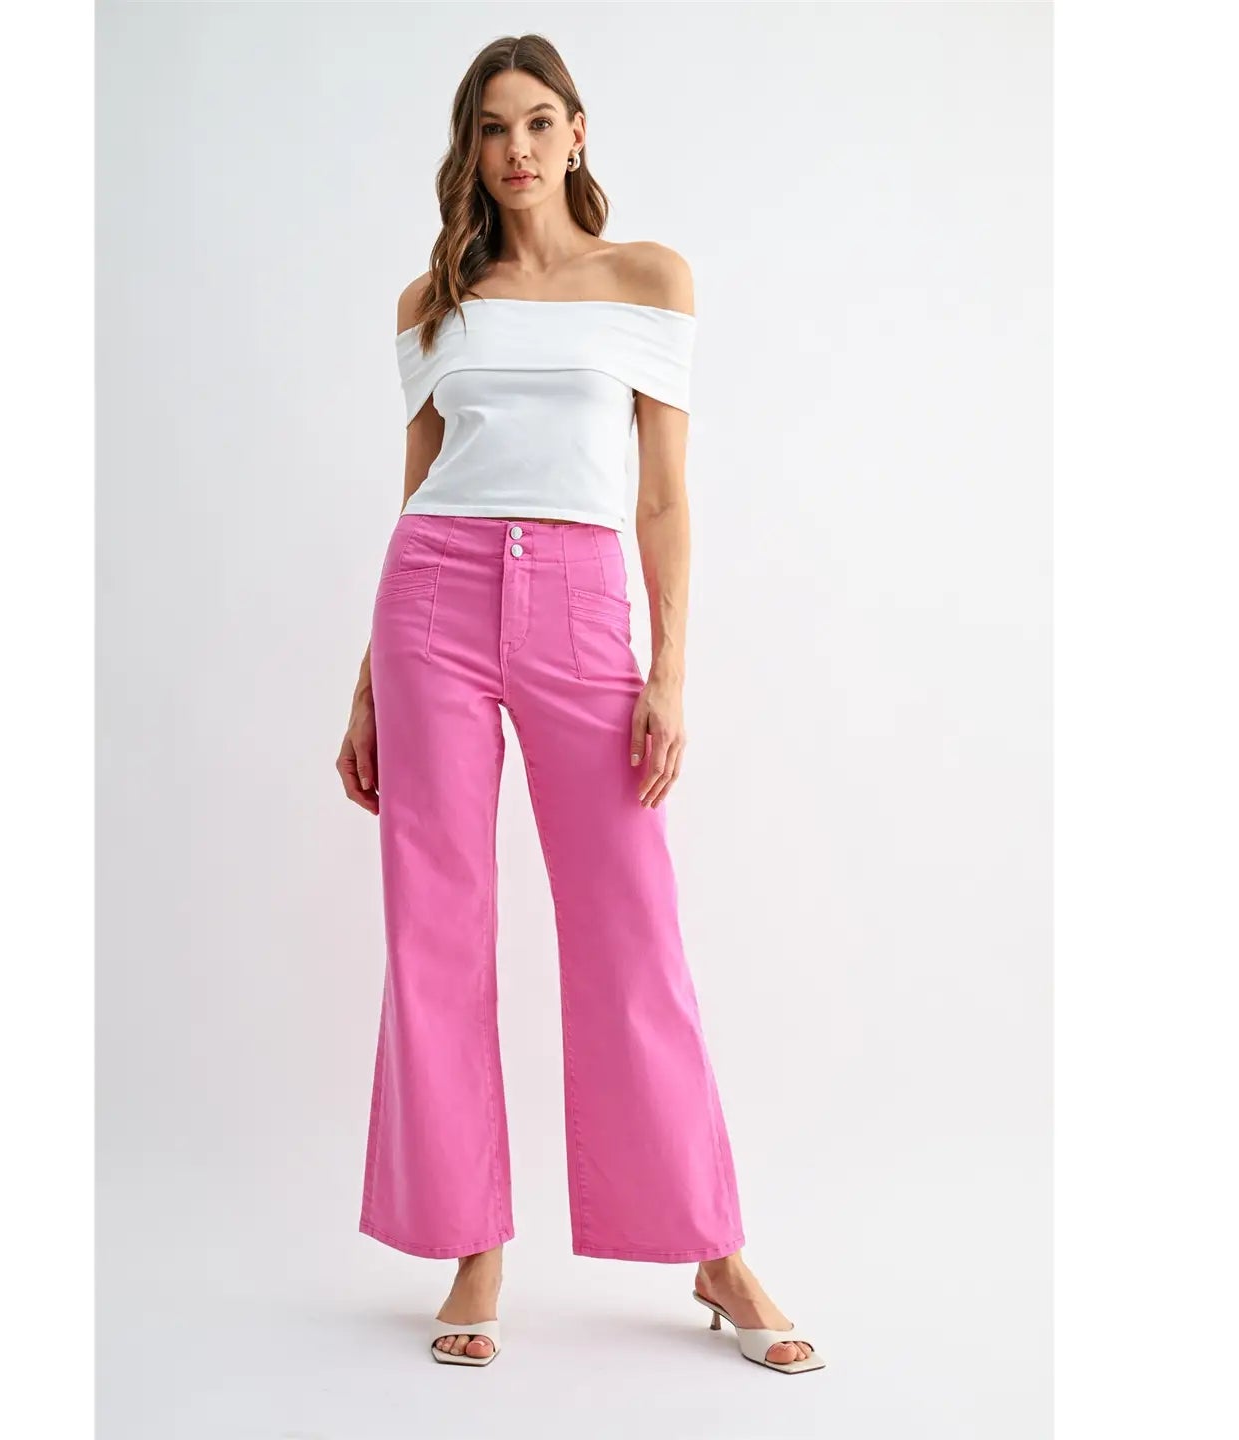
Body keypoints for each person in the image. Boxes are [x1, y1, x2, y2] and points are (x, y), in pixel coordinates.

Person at [337, 35, 824, 1375]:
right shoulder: (435, 300)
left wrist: (670, 670)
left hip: (578, 599)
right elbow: (417, 486)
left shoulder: (647, 281)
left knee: (631, 928)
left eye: (540, 121)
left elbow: (662, 497)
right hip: (431, 601)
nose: (518, 149)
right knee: (436, 927)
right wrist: (368, 681)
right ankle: (472, 1241)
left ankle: (712, 1247)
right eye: (494, 127)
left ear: (579, 131)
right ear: (471, 147)